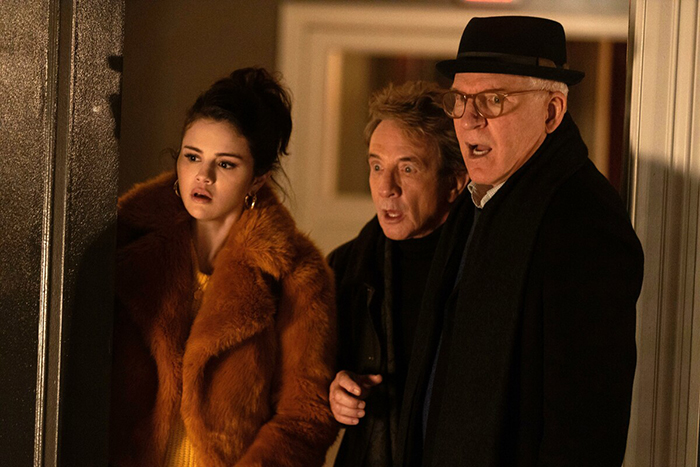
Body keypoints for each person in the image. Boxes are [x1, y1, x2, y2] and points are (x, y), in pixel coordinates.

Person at [394, 16, 645, 466]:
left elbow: (586, 428)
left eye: (493, 100)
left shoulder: (584, 220)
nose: (469, 121)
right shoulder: (476, 199)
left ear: (551, 112)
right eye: (459, 100)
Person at [110, 67, 337, 467]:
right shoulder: (123, 239)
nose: (203, 176)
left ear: (257, 179)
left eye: (226, 164)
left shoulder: (296, 273)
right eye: (192, 157)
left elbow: (305, 416)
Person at [326, 81, 468, 466]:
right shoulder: (344, 269)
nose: (386, 188)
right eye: (376, 166)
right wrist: (335, 391)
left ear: (455, 182)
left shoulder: (485, 268)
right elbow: (307, 387)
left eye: (407, 168)